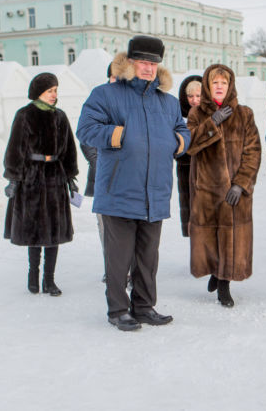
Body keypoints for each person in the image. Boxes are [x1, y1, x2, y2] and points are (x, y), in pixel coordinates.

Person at [77, 35, 191, 331]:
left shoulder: (167, 102)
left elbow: (182, 128)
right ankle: (118, 310)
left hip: (155, 190)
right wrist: (119, 136)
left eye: (153, 62)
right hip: (118, 189)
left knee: (147, 256)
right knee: (118, 258)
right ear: (130, 62)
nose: (148, 67)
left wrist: (178, 142)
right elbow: (86, 129)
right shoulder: (106, 94)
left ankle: (143, 306)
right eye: (142, 61)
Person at [186, 64, 261, 307]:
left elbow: (253, 152)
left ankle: (223, 284)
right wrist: (212, 123)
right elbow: (189, 145)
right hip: (206, 191)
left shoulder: (245, 114)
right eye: (214, 83)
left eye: (224, 83)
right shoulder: (197, 115)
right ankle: (215, 273)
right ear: (207, 86)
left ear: (230, 86)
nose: (219, 87)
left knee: (231, 240)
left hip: (235, 193)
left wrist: (240, 184)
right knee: (208, 238)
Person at [3, 72, 78, 296]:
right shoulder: (24, 115)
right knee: (34, 230)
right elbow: (14, 148)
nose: (54, 95)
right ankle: (33, 275)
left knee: (54, 231)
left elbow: (69, 149)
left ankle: (50, 280)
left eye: (55, 90)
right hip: (32, 177)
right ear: (38, 92)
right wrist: (14, 178)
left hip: (55, 176)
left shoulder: (60, 117)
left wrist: (70, 176)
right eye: (49, 91)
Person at [80, 63, 113, 283]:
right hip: (102, 177)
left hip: (124, 176)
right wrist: (97, 160)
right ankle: (111, 267)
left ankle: (125, 267)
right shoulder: (100, 99)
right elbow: (85, 135)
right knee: (104, 225)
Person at [175, 75, 202, 237]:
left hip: (208, 171)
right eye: (190, 96)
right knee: (192, 216)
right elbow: (177, 149)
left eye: (198, 96)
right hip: (186, 171)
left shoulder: (212, 114)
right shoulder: (178, 116)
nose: (194, 100)